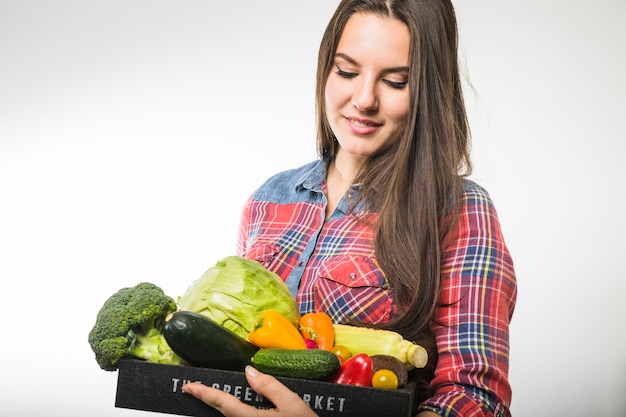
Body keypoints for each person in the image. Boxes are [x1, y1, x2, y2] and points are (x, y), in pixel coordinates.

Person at [182, 0, 517, 416]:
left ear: (427, 91)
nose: (363, 99)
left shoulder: (457, 210)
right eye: (347, 71)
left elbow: (475, 397)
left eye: (395, 82)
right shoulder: (269, 199)